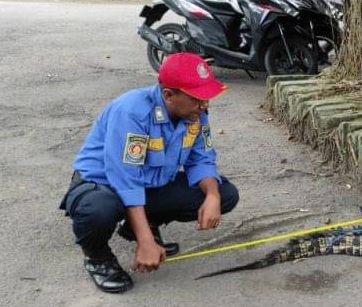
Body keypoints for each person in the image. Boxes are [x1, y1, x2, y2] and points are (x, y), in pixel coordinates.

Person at [59, 53, 240, 293]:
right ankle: (98, 258)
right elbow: (125, 179)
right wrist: (146, 242)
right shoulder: (132, 111)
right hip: (103, 185)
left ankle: (139, 225)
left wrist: (213, 196)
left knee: (225, 193)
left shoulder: (195, 114)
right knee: (98, 210)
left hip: (148, 185)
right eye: (198, 99)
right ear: (168, 95)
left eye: (206, 98)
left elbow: (202, 160)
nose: (205, 105)